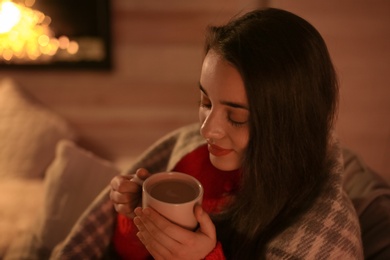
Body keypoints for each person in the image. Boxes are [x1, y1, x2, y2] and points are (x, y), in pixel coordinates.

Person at [50, 8, 364, 259]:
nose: (206, 129)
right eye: (205, 102)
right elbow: (125, 254)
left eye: (237, 117)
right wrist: (137, 218)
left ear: (289, 124)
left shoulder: (322, 233)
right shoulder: (196, 165)